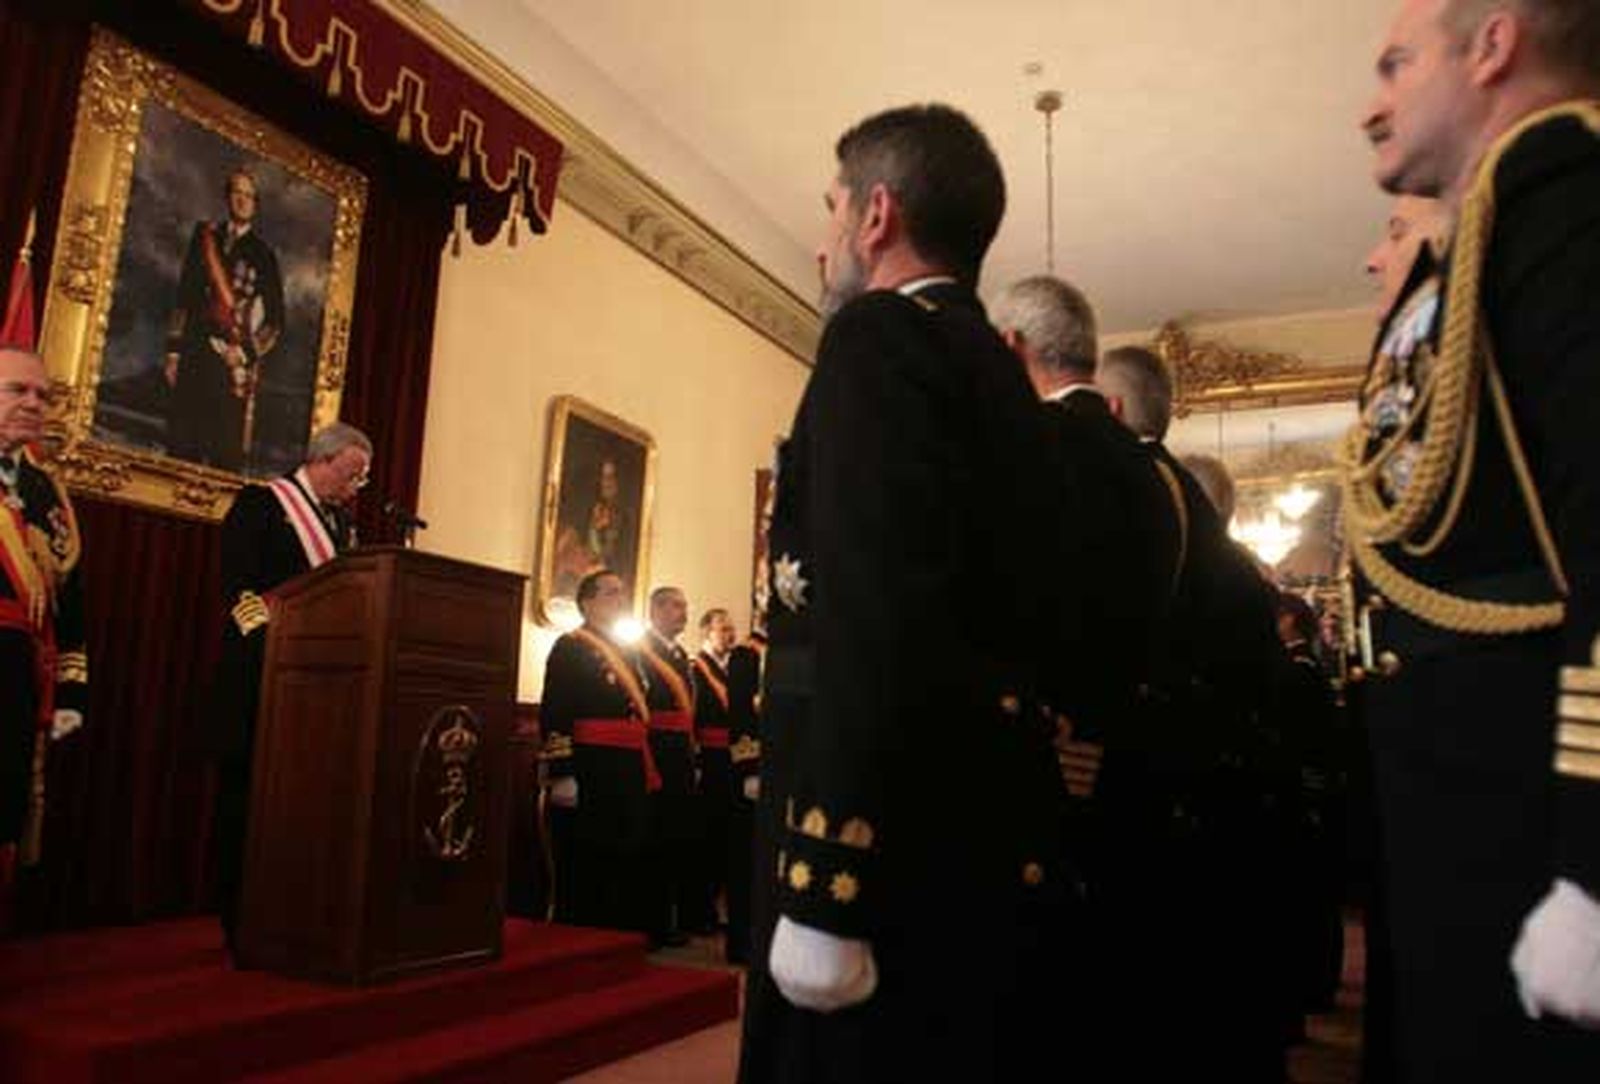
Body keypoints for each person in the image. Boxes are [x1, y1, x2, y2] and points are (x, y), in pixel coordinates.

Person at [739, 103, 1073, 1083]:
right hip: (966, 818)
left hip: (871, 837)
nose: (823, 237)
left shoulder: (877, 338)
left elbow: (870, 615)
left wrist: (823, 886)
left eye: (831, 207)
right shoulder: (998, 371)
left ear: (875, 215)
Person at [1343, 0, 1600, 1075]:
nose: (1371, 104)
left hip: (1527, 797)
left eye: (1396, 63)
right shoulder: (1499, 227)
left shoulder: (1567, 196)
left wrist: (1592, 867)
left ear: (1492, 44)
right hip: (1466, 788)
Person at [1098, 346, 1297, 1082]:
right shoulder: (1236, 563)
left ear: (1111, 410)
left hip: (1159, 790)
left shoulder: (1138, 497)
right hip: (1223, 802)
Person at [212, 421, 370, 953]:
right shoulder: (261, 505)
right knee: (250, 795)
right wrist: (279, 645)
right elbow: (239, 589)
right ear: (322, 461)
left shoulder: (342, 525)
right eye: (351, 474)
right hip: (263, 672)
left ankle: (296, 908)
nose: (355, 487)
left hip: (320, 682)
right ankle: (239, 917)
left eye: (361, 478)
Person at [0, 348, 86, 928]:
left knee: (3, 806)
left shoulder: (45, 488)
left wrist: (72, 689)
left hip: (18, 677)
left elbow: (70, 599)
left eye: (42, 395)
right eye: (17, 391)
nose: (34, 404)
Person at [540, 569, 657, 934]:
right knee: (590, 856)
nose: (621, 599)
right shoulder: (570, 646)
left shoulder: (629, 651)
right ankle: (581, 937)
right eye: (611, 593)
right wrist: (562, 771)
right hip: (593, 767)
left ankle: (619, 936)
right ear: (587, 602)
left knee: (628, 853)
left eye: (622, 592)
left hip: (628, 766)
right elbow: (555, 709)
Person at [165, 167, 286, 472]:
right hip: (193, 350)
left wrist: (243, 353)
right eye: (237, 193)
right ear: (228, 198)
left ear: (255, 204)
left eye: (249, 195)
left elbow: (275, 322)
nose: (243, 200)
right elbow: (185, 296)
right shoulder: (205, 237)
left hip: (231, 359)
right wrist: (174, 351)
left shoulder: (264, 255)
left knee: (223, 450)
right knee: (182, 443)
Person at [638, 585, 697, 946]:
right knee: (653, 839)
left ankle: (666, 921)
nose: (683, 612)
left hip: (679, 756)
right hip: (655, 752)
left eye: (684, 605)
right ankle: (649, 924)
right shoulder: (640, 650)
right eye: (676, 605)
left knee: (675, 839)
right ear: (656, 610)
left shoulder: (677, 654)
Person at [691, 608, 739, 942]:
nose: (730, 635)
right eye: (723, 629)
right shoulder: (696, 669)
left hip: (732, 762)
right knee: (705, 839)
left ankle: (721, 910)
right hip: (707, 760)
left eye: (732, 629)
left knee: (727, 839)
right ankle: (700, 911)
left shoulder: (736, 669)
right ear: (706, 632)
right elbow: (691, 716)